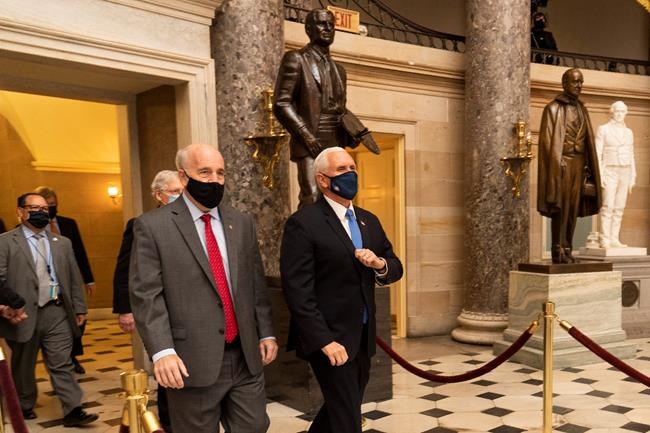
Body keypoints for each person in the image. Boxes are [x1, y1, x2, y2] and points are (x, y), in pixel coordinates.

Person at [129, 144, 278, 432]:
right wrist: (162, 351)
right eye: (205, 172)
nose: (215, 180)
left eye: (220, 173)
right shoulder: (153, 226)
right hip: (191, 361)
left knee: (255, 426)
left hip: (245, 357)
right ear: (183, 177)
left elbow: (255, 283)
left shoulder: (241, 222)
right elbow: (146, 296)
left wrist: (266, 331)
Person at [280, 147, 403, 433]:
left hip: (362, 335)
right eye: (342, 170)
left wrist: (379, 264)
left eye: (352, 168)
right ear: (323, 180)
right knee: (347, 418)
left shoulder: (368, 220)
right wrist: (324, 341)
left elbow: (395, 265)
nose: (351, 174)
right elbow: (297, 290)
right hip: (329, 339)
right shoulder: (304, 223)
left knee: (342, 406)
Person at [0, 193, 98, 426]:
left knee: (62, 362)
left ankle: (73, 409)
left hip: (57, 311)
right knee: (24, 364)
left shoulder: (62, 243)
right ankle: (24, 404)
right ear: (20, 211)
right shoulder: (5, 242)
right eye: (34, 208)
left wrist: (79, 307)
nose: (40, 213)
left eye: (44, 209)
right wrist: (5, 306)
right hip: (22, 313)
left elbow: (72, 277)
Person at [112, 169, 182, 432]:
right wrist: (125, 309)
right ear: (158, 195)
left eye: (182, 191)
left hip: (186, 311)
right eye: (174, 192)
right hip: (156, 311)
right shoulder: (142, 224)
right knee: (166, 368)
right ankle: (168, 423)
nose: (180, 196)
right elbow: (126, 269)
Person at [272, 8, 348, 208]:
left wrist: (353, 131)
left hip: (335, 141)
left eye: (331, 25)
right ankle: (305, 230)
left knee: (337, 197)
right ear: (308, 29)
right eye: (322, 24)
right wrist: (306, 135)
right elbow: (281, 103)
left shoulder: (339, 70)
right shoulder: (296, 58)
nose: (328, 28)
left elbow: (341, 110)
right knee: (312, 197)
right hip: (310, 140)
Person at [537, 68, 602, 263]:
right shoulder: (553, 109)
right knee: (560, 208)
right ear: (565, 83)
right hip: (562, 164)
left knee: (573, 208)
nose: (579, 85)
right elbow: (547, 144)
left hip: (579, 165)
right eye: (575, 81)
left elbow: (588, 142)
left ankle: (568, 248)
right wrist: (555, 168)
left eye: (581, 82)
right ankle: (557, 250)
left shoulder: (582, 108)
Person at [34, 186, 95, 374]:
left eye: (53, 204)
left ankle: (72, 355)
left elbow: (80, 251)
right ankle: (62, 357)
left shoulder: (68, 224)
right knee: (58, 317)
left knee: (78, 318)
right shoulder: (33, 228)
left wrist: (88, 279)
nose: (50, 208)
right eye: (46, 206)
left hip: (70, 279)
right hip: (48, 283)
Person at [596, 101, 636, 248]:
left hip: (625, 170)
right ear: (612, 112)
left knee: (619, 207)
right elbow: (598, 153)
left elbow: (631, 154)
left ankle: (614, 238)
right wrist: (600, 175)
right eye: (617, 111)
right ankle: (605, 238)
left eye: (622, 111)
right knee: (608, 206)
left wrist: (633, 176)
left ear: (626, 113)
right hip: (610, 170)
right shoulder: (603, 129)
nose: (619, 114)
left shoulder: (629, 132)